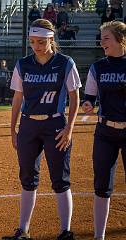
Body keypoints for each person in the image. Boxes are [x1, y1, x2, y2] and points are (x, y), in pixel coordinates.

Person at [3, 19, 81, 240]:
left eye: (41, 42)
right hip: (28, 126)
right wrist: (13, 129)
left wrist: (69, 128)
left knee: (60, 179)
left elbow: (75, 98)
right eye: (33, 42)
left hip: (55, 125)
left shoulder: (65, 63)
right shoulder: (23, 64)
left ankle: (66, 231)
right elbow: (17, 98)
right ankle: (23, 230)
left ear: (51, 39)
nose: (36, 46)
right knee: (27, 177)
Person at [81, 21, 126, 240]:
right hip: (105, 132)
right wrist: (87, 104)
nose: (102, 42)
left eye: (106, 38)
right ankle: (99, 237)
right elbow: (89, 97)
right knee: (101, 185)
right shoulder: (98, 67)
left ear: (120, 39)